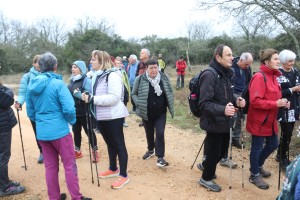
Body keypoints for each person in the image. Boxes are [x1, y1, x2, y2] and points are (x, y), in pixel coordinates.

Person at [26, 52, 91, 200]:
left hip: (42, 132)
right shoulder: (58, 84)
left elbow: (30, 112)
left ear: (40, 67)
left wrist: (41, 122)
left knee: (50, 167)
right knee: (69, 165)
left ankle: (54, 197)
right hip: (60, 132)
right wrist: (71, 121)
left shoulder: (32, 85)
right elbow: (69, 109)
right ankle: (76, 197)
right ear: (55, 66)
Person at [197, 44, 245, 192]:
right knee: (214, 152)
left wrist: (237, 100)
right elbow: (203, 104)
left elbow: (228, 96)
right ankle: (206, 178)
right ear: (218, 58)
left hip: (225, 120)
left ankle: (205, 165)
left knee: (222, 150)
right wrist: (223, 109)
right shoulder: (209, 75)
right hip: (213, 121)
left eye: (232, 54)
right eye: (228, 55)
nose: (232, 57)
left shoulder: (228, 73)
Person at [82, 50, 129, 189]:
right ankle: (113, 168)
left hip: (114, 116)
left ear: (102, 62)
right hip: (101, 116)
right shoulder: (97, 75)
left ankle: (123, 175)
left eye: (93, 59)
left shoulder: (113, 75)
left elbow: (114, 97)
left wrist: (93, 99)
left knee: (119, 144)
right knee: (109, 143)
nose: (91, 62)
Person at [247, 48, 289, 190]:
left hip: (271, 120)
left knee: (273, 144)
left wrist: (283, 102)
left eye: (279, 59)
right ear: (267, 61)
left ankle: (257, 165)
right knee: (257, 148)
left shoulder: (274, 77)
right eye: (276, 59)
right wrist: (276, 103)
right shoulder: (259, 77)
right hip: (259, 120)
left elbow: (274, 97)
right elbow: (255, 101)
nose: (279, 61)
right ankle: (254, 174)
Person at [131, 58, 174, 167]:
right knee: (149, 133)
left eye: (156, 67)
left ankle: (160, 157)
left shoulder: (164, 78)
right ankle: (150, 150)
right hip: (146, 113)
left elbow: (170, 91)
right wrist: (139, 103)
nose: (154, 70)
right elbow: (134, 94)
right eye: (151, 68)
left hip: (161, 113)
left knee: (160, 133)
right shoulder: (140, 79)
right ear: (146, 68)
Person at [67, 60, 99, 162]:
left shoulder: (86, 80)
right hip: (74, 112)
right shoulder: (71, 81)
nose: (73, 69)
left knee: (89, 132)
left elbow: (90, 95)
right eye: (72, 67)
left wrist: (80, 95)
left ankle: (95, 152)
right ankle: (77, 151)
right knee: (76, 132)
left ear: (81, 69)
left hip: (85, 112)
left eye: (75, 67)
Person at [14, 55, 44, 164]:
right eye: (37, 62)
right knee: (38, 132)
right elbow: (22, 93)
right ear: (33, 64)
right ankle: (42, 152)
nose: (39, 64)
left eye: (42, 62)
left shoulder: (48, 74)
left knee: (49, 131)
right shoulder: (27, 77)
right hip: (34, 111)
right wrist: (19, 102)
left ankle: (52, 151)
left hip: (47, 110)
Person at [0, 81, 25, 197]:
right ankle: (4, 188)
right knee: (3, 156)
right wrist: (6, 90)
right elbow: (8, 99)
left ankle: (4, 181)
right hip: (2, 126)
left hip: (3, 124)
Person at [276, 50, 300, 169]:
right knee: (285, 133)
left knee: (289, 133)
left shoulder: (296, 71)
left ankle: (280, 154)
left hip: (294, 106)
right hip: (283, 107)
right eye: (290, 61)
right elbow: (277, 93)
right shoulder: (278, 74)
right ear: (284, 62)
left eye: (293, 61)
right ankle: (282, 157)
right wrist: (293, 89)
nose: (292, 63)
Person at [115, 56, 131, 127]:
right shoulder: (113, 72)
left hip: (124, 91)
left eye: (120, 63)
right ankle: (117, 121)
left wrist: (128, 91)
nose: (119, 64)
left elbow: (127, 82)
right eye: (117, 63)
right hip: (117, 91)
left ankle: (123, 121)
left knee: (124, 106)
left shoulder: (123, 72)